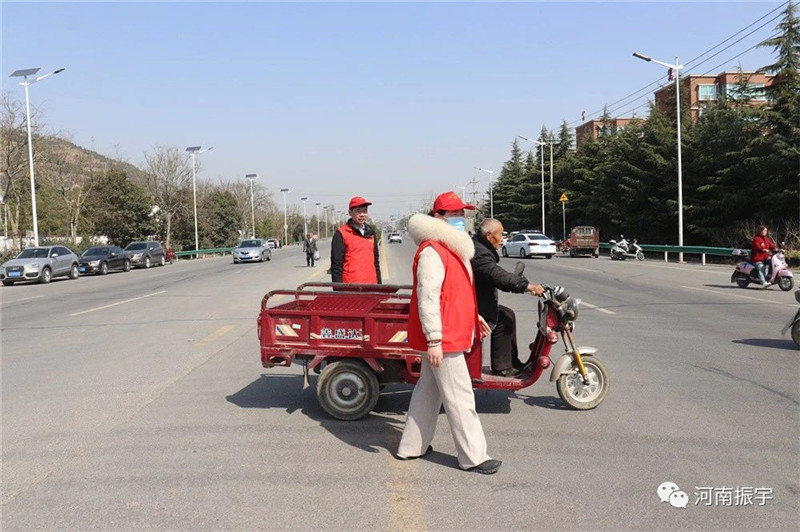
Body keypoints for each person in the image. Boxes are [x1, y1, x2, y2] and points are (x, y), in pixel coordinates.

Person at [396, 191, 501, 475]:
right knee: (460, 397)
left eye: (462, 214)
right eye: (455, 214)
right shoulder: (433, 251)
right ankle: (473, 457)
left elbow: (455, 294)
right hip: (445, 338)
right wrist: (434, 340)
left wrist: (473, 317)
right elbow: (428, 298)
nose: (461, 218)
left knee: (428, 392)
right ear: (438, 217)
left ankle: (411, 446)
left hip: (448, 333)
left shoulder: (451, 248)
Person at [471, 218, 544, 377]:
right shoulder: (479, 254)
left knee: (507, 314)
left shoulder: (479, 247)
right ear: (489, 236)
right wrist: (527, 286)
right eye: (500, 235)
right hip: (472, 307)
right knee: (503, 320)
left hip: (477, 301)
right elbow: (496, 275)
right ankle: (502, 367)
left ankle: (511, 362)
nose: (502, 239)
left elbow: (497, 274)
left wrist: (520, 284)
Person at [331, 196, 382, 284]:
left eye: (365, 211)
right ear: (350, 213)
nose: (362, 214)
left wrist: (379, 286)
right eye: (358, 211)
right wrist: (338, 290)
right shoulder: (341, 234)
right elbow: (336, 266)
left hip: (371, 285)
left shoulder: (371, 233)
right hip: (351, 287)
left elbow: (376, 262)